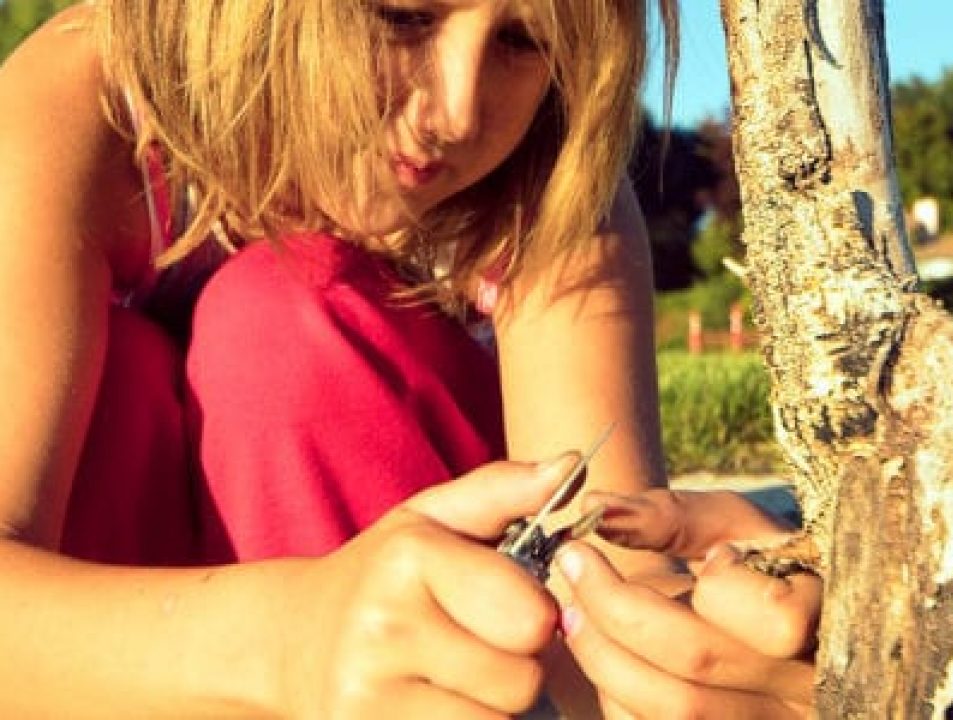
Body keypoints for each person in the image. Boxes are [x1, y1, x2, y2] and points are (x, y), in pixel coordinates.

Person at [0, 0, 819, 716]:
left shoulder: (550, 181)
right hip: (128, 669)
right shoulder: (91, 103)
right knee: (141, 371)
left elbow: (602, 563)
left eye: (525, 42)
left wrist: (718, 639)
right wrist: (291, 642)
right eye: (402, 16)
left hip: (424, 655)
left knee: (284, 325)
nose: (458, 112)